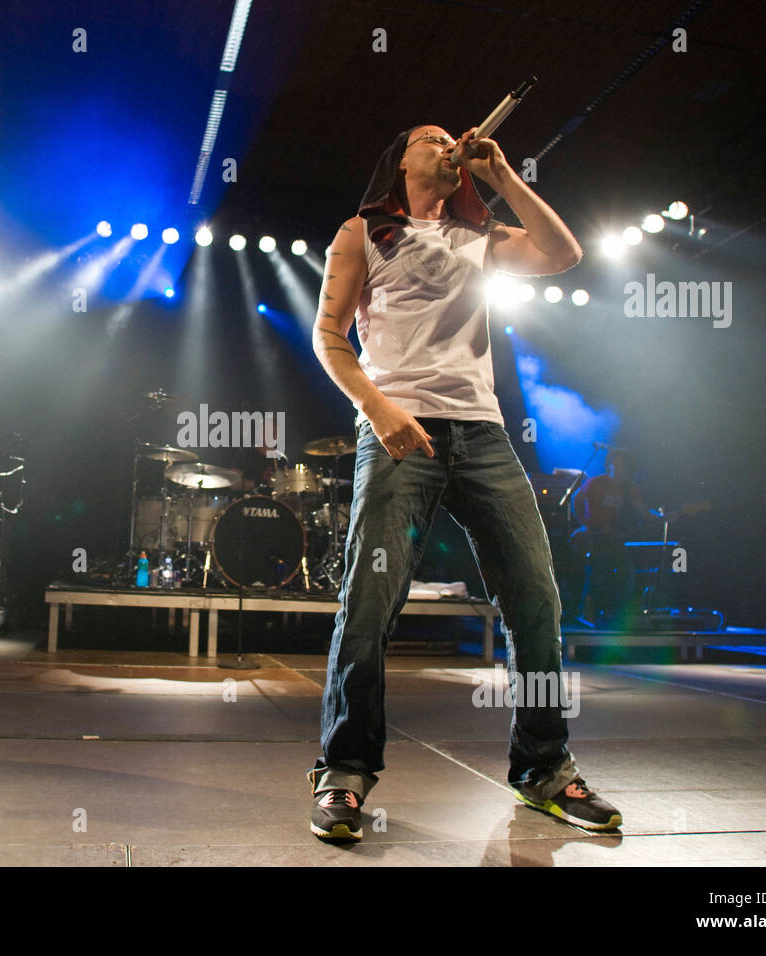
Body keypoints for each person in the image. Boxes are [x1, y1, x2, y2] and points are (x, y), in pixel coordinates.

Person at [308, 123, 622, 839]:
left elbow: (563, 254)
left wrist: (504, 175)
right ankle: (344, 772)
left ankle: (545, 768)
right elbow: (330, 337)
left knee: (536, 597)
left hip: (481, 432)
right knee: (370, 600)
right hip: (397, 429)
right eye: (432, 137)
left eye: (456, 138)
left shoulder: (479, 236)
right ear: (402, 160)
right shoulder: (362, 231)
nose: (448, 144)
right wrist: (378, 408)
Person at [572, 448, 660, 628]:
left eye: (623, 466)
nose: (618, 469)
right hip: (594, 537)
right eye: (616, 465)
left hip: (613, 538)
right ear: (609, 465)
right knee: (597, 575)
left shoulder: (631, 489)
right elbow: (576, 501)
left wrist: (663, 516)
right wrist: (586, 524)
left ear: (629, 469)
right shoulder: (596, 483)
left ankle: (620, 617)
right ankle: (586, 614)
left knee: (626, 575)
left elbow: (643, 511)